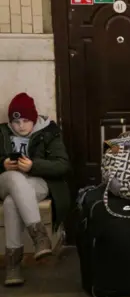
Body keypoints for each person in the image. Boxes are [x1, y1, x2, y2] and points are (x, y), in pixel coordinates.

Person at [0, 93, 71, 286]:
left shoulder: (49, 132)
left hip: (37, 182)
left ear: (34, 118)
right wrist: (2, 164)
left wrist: (33, 166)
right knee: (14, 178)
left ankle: (13, 267)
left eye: (25, 120)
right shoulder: (2, 133)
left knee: (11, 202)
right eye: (16, 122)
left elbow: (62, 165)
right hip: (5, 181)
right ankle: (40, 237)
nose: (20, 126)